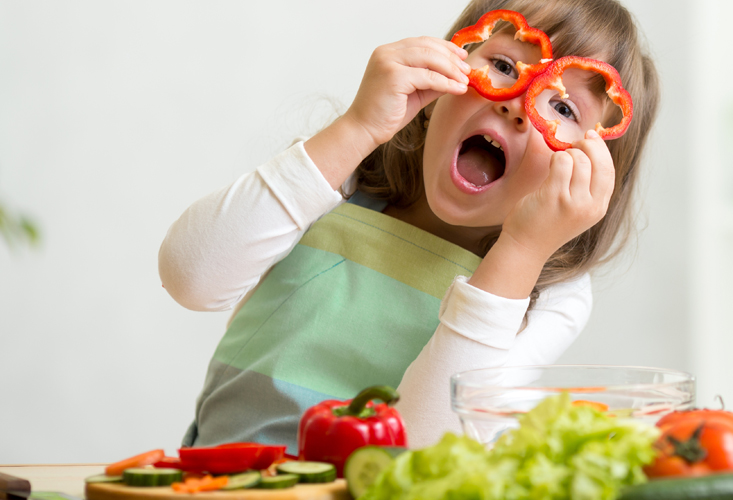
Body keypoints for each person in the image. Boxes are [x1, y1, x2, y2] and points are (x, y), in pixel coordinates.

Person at [159, 0, 659, 451]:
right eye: (504, 65)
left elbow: (426, 445)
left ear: (591, 169)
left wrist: (521, 252)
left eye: (564, 108)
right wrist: (356, 128)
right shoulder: (341, 178)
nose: (516, 104)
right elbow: (190, 279)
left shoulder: (554, 293)